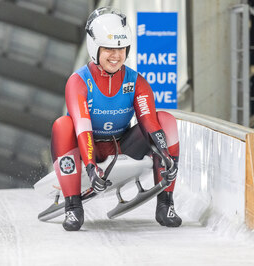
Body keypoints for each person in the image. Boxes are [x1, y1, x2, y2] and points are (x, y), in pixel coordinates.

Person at [50, 7, 182, 231]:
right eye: (109, 48)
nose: (116, 55)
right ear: (95, 48)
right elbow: (82, 126)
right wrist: (91, 166)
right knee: (63, 125)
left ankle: (166, 204)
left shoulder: (136, 82)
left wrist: (165, 154)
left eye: (121, 48)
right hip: (87, 149)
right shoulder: (78, 81)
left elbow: (149, 121)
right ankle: (73, 207)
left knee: (166, 119)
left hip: (120, 145)